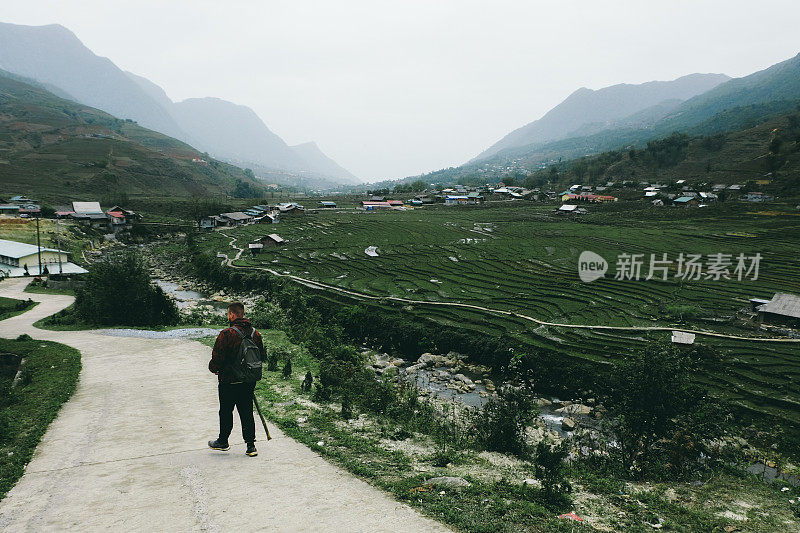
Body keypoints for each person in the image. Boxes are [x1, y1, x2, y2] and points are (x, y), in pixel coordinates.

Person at [208, 301, 266, 456]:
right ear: (243, 314)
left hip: (229, 380)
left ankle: (223, 441)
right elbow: (262, 356)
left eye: (229, 314)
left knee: (226, 411)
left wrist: (214, 369)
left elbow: (217, 358)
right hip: (248, 381)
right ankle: (251, 446)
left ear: (232, 315)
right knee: (246, 411)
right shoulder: (255, 334)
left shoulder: (226, 334)